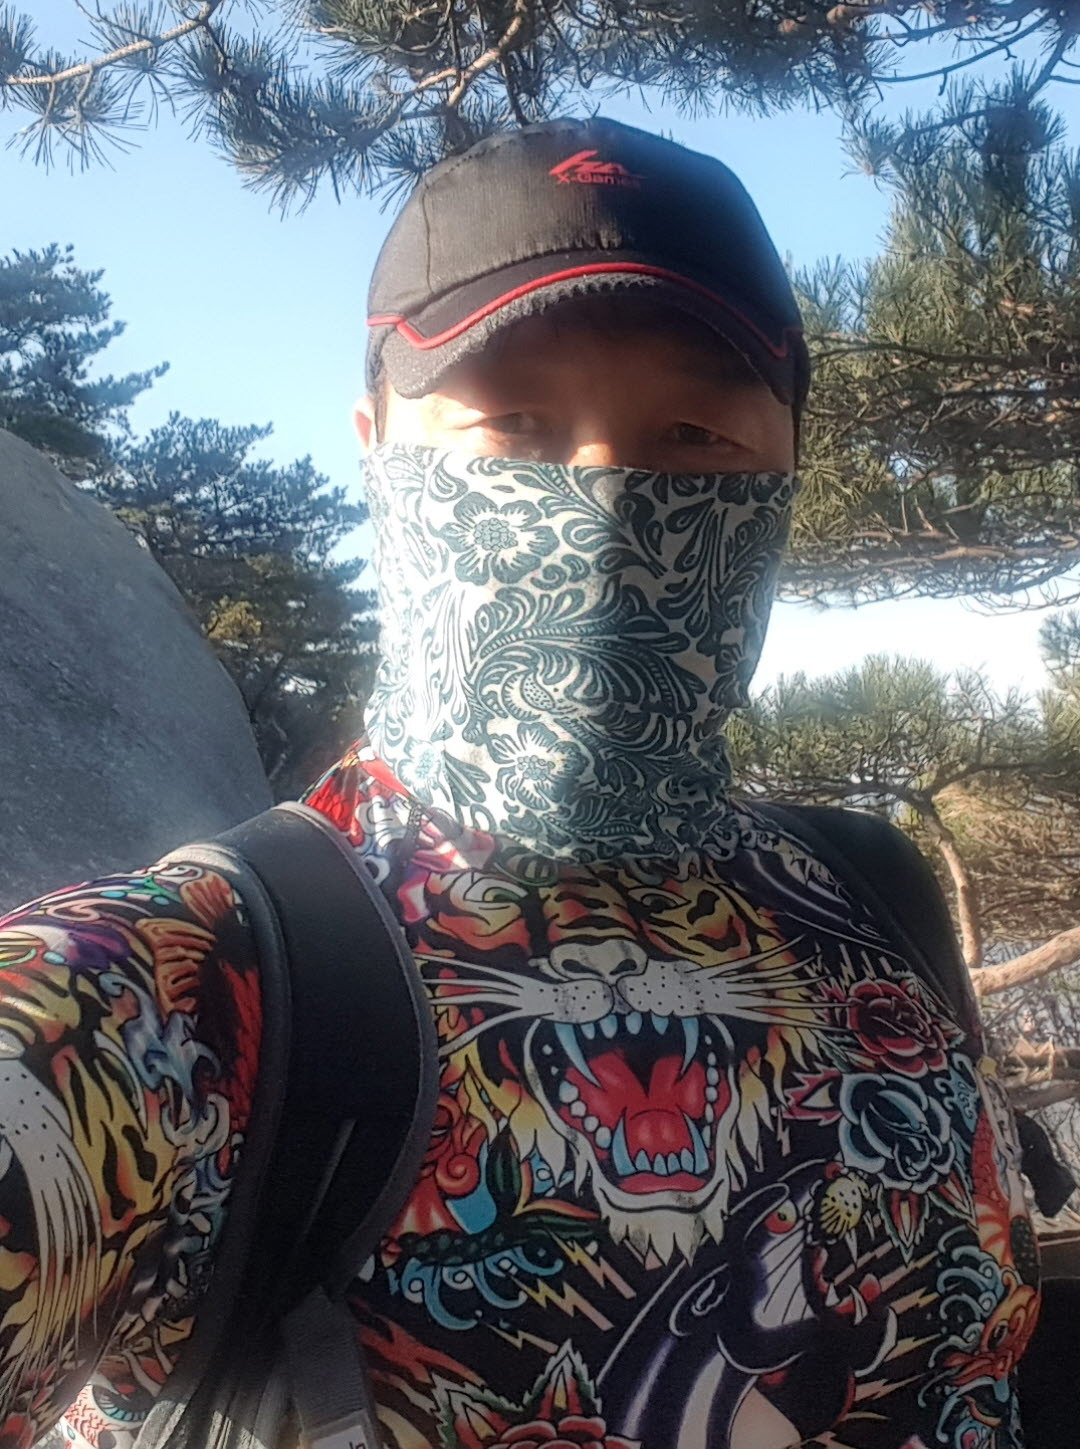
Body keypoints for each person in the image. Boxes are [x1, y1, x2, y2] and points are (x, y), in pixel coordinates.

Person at [0, 118, 1039, 1449]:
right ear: (375, 447)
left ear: (789, 461)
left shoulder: (875, 891)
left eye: (694, 433)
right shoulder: (190, 986)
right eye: (514, 425)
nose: (608, 494)